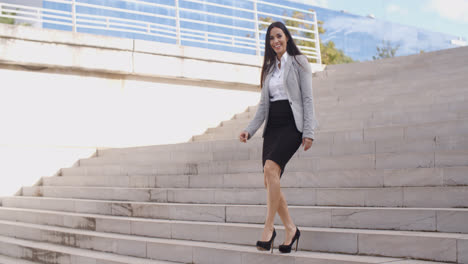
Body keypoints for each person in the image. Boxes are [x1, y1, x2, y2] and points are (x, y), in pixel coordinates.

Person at [239, 21, 318, 254]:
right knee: (269, 178)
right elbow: (263, 106)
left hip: (292, 124)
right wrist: (249, 129)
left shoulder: (300, 62)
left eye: (279, 36)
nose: (276, 41)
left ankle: (268, 227)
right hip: (273, 126)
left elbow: (307, 99)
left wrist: (309, 132)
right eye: (271, 38)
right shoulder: (269, 69)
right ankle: (291, 228)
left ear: (287, 37)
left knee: (271, 170)